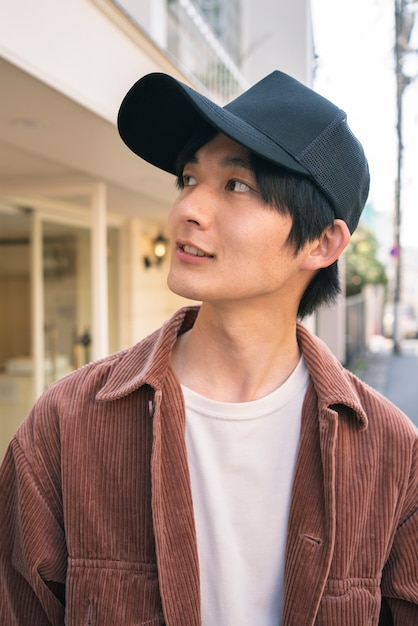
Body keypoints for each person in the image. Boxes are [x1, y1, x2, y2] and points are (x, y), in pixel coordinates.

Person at [0, 70, 417, 626]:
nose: (188, 210)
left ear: (322, 242)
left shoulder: (391, 453)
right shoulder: (67, 424)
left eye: (236, 186)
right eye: (188, 178)